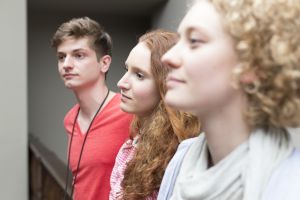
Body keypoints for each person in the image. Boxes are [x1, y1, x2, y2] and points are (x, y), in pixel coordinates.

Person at [158, 0, 300, 199]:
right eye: (179, 41)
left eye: (195, 41)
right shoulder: (181, 160)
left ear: (253, 64)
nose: (168, 57)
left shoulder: (291, 185)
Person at [109, 30, 200, 200]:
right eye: (126, 69)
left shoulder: (183, 157)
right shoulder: (130, 149)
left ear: (167, 85)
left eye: (139, 75)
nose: (121, 83)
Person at [51, 17, 132, 200]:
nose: (66, 64)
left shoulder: (129, 111)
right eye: (61, 57)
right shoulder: (70, 119)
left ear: (104, 63)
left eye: (79, 55)